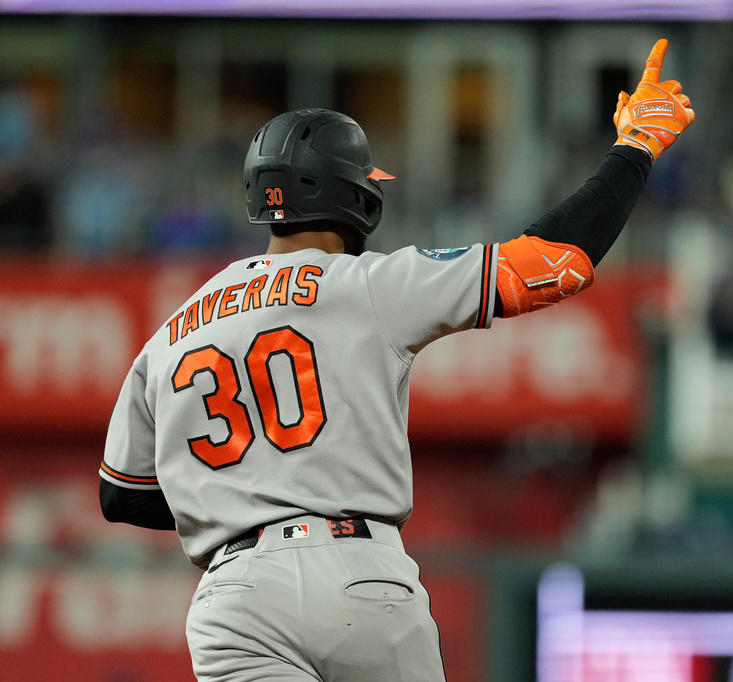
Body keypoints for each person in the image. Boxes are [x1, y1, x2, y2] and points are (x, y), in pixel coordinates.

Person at [98, 39, 694, 681]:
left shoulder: (173, 330)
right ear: (355, 198)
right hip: (355, 576)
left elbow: (121, 494)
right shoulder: (366, 285)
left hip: (233, 601)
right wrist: (635, 150)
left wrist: (243, 497)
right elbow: (556, 262)